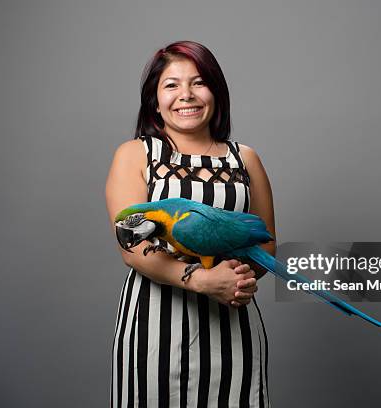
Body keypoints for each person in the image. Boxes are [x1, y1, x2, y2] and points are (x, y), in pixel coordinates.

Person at [105, 40, 275, 407]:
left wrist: (237, 282)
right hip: (154, 329)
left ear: (215, 91)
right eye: (171, 85)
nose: (186, 95)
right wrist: (202, 280)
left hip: (233, 329)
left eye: (198, 82)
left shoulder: (246, 158)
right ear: (155, 99)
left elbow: (267, 247)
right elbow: (132, 251)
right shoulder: (134, 154)